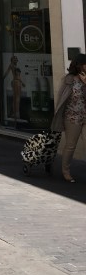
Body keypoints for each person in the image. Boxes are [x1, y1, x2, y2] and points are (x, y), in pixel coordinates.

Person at [50, 53, 86, 182]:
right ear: (79, 65)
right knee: (71, 146)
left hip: (85, 116)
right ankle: (66, 171)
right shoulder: (68, 79)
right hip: (72, 118)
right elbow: (61, 98)